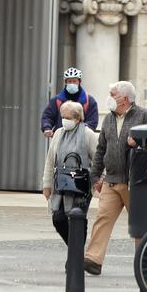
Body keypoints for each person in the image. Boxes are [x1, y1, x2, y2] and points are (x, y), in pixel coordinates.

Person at [83, 81, 147, 276]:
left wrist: (138, 140)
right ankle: (93, 260)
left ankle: (144, 264)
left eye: (113, 95)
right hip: (111, 179)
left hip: (133, 180)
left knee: (140, 224)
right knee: (102, 219)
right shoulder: (109, 119)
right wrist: (96, 175)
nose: (109, 98)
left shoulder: (143, 115)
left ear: (125, 99)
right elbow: (101, 148)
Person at [42, 101, 99, 246]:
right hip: (61, 184)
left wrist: (99, 179)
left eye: (67, 117)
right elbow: (50, 160)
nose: (64, 120)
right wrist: (46, 184)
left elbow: (99, 159)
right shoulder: (58, 134)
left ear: (78, 118)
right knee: (58, 219)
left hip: (81, 186)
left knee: (77, 220)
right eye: (62, 117)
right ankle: (75, 250)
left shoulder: (88, 134)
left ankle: (76, 257)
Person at [41, 67, 99, 137]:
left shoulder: (89, 101)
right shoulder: (57, 100)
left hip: (81, 140)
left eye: (74, 81)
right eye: (69, 81)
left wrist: (79, 130)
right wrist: (47, 127)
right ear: (65, 82)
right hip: (60, 138)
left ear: (79, 81)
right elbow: (47, 117)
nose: (72, 84)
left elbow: (92, 121)